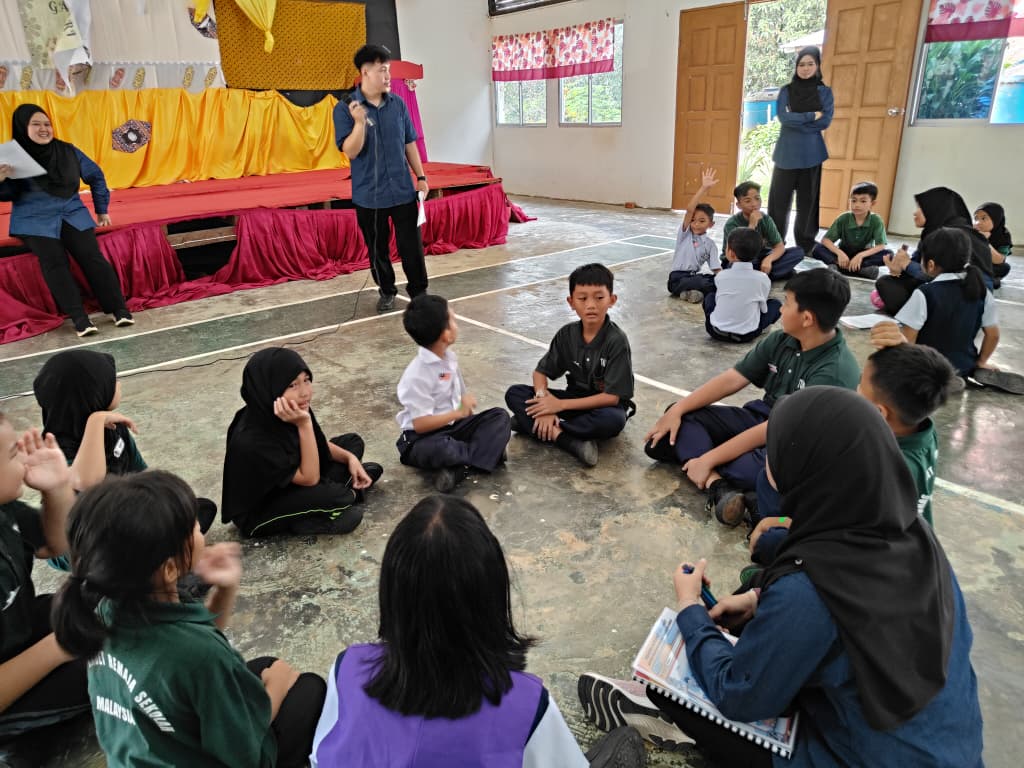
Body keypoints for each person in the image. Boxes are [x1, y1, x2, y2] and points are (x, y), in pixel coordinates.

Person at [581, 388, 984, 768]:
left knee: (677, 688)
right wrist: (758, 599)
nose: (765, 467)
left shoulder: (808, 589)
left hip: (857, 757)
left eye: (772, 457)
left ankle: (666, 716)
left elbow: (739, 694)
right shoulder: (913, 533)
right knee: (760, 597)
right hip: (946, 748)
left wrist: (690, 609)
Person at [309, 494, 645, 768]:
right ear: (491, 596)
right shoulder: (526, 705)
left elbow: (321, 756)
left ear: (391, 592)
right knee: (616, 747)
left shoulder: (346, 669)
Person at [51, 471, 327, 768]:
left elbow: (192, 642)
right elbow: (242, 752)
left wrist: (225, 588)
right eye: (194, 526)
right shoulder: (198, 655)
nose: (200, 529)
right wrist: (278, 686)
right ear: (170, 569)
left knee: (259, 667)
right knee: (309, 688)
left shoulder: (103, 611)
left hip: (142, 753)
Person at [643, 269, 858, 526]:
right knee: (682, 417)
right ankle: (720, 485)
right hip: (761, 417)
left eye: (786, 303)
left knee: (744, 469)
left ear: (807, 318)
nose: (780, 309)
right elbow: (733, 378)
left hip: (795, 445)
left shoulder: (834, 370)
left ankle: (709, 471)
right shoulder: (783, 340)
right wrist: (677, 410)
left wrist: (709, 458)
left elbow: (778, 429)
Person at [749, 344, 955, 568]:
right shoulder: (921, 430)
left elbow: (836, 531)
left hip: (870, 560)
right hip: (901, 543)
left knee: (769, 536)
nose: (854, 391)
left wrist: (783, 521)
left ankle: (773, 573)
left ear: (879, 412)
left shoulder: (878, 471)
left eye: (859, 389)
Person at [32, 350, 217, 536]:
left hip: (123, 511)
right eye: (112, 382)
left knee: (197, 509)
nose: (118, 384)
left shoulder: (115, 428)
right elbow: (87, 482)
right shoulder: (55, 449)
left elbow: (141, 473)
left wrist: (166, 502)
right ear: (93, 394)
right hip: (88, 533)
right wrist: (95, 421)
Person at [0, 104, 132, 337]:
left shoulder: (67, 151)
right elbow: (7, 195)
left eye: (47, 124)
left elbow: (96, 175)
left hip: (72, 213)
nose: (44, 129)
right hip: (33, 219)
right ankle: (80, 318)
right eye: (36, 124)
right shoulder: (12, 157)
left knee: (92, 257)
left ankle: (118, 309)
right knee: (54, 260)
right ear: (22, 127)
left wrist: (101, 210)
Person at [221, 347, 382, 538]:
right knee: (335, 496)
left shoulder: (291, 407)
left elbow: (319, 444)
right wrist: (304, 424)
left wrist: (350, 459)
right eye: (292, 385)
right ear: (269, 388)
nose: (305, 392)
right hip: (260, 511)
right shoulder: (251, 439)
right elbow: (310, 479)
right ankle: (345, 496)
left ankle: (337, 493)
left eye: (306, 380)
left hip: (293, 478)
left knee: (352, 442)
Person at [0, 419, 90, 759]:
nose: (24, 461)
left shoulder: (4, 511)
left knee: (95, 602)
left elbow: (54, 545)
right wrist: (57, 648)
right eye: (14, 454)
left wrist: (57, 488)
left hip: (16, 634)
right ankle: (23, 746)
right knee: (105, 666)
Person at [505, 263, 636, 467]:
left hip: (603, 406)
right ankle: (568, 438)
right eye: (582, 298)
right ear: (571, 302)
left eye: (599, 297)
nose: (590, 305)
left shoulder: (616, 340)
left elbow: (611, 397)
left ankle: (537, 427)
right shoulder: (567, 335)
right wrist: (544, 403)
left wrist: (558, 406)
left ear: (612, 300)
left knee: (614, 420)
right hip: (573, 399)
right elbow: (540, 373)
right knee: (515, 393)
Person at [333, 44, 429, 313]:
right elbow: (350, 150)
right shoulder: (345, 109)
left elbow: (409, 142)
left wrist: (421, 176)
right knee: (377, 249)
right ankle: (386, 290)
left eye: (388, 70)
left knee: (411, 246)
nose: (388, 76)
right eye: (382, 70)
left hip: (402, 190)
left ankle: (419, 291)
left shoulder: (397, 104)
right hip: (369, 194)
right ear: (365, 72)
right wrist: (359, 123)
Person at [872, 228, 1024, 395]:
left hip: (926, 366)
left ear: (930, 265)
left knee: (882, 358)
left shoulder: (925, 293)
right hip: (965, 363)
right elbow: (993, 335)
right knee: (960, 360)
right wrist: (981, 361)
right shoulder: (982, 292)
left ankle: (935, 379)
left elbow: (908, 340)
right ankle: (964, 373)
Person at [396, 294, 512, 492]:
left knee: (499, 417)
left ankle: (460, 467)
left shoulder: (449, 359)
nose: (457, 325)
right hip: (422, 439)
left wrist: (464, 411)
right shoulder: (417, 375)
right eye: (453, 321)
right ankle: (483, 455)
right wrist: (457, 412)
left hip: (454, 427)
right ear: (446, 335)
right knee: (442, 448)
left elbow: (461, 402)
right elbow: (421, 425)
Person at [873, 186, 994, 315]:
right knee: (888, 283)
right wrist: (897, 270)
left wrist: (906, 264)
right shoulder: (931, 233)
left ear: (935, 209)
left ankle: (919, 317)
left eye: (920, 208)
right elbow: (919, 270)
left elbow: (940, 276)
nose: (915, 213)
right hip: (946, 291)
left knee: (897, 289)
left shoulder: (954, 236)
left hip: (962, 297)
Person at [767, 46, 834, 255]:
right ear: (796, 67)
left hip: (812, 155)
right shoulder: (786, 91)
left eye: (810, 64)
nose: (805, 69)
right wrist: (810, 116)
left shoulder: (825, 92)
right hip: (786, 154)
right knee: (779, 201)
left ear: (818, 66)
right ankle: (774, 241)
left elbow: (825, 121)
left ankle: (805, 243)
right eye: (801, 64)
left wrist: (796, 121)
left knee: (808, 201)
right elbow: (783, 118)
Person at [702, 228, 780, 343]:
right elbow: (763, 309)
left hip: (716, 331)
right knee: (776, 304)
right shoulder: (763, 279)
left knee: (710, 297)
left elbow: (719, 301)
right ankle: (761, 327)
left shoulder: (721, 276)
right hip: (747, 335)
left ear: (731, 253)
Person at [723, 181, 804, 281]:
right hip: (738, 260)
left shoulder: (766, 219)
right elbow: (734, 254)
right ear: (739, 205)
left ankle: (757, 275)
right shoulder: (732, 223)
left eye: (757, 198)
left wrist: (768, 260)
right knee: (734, 266)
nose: (754, 204)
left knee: (798, 252)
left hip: (761, 257)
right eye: (748, 201)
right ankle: (771, 274)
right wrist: (752, 225)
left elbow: (779, 246)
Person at [811, 180, 893, 279]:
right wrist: (840, 253)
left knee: (889, 254)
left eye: (863, 201)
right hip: (844, 253)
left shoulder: (876, 220)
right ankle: (850, 266)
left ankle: (843, 267)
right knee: (817, 248)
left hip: (864, 256)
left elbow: (881, 246)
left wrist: (860, 256)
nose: (857, 205)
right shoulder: (843, 218)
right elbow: (826, 240)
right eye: (853, 200)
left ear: (873, 203)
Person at [667, 168, 721, 301]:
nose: (696, 224)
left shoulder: (710, 245)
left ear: (711, 224)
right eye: (693, 220)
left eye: (702, 221)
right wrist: (703, 188)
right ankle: (688, 290)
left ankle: (688, 293)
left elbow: (716, 269)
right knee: (703, 283)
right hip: (676, 279)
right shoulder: (685, 235)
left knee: (714, 280)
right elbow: (690, 209)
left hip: (693, 277)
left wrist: (729, 280)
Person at [974, 201, 1012, 286]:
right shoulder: (973, 231)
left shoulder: (1003, 236)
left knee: (1004, 267)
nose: (978, 222)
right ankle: (984, 279)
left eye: (983, 218)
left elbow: (998, 260)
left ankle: (985, 278)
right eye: (976, 218)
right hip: (973, 265)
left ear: (996, 219)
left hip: (991, 266)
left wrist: (985, 241)